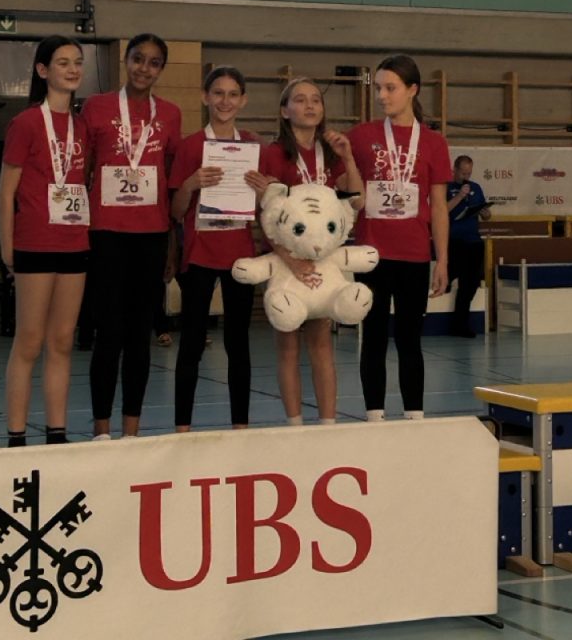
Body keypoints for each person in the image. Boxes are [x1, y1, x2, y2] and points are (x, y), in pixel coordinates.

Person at [83, 33, 181, 439]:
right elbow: (82, 170)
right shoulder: (96, 107)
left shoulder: (170, 114)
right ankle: (101, 430)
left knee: (140, 336)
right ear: (126, 60)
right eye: (138, 59)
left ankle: (131, 431)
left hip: (151, 236)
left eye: (154, 62)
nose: (145, 68)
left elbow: (172, 182)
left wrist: (172, 244)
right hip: (106, 234)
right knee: (108, 333)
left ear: (161, 69)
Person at [251, 77, 364, 426]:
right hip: (286, 261)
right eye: (300, 100)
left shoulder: (330, 153)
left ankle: (328, 424)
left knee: (321, 343)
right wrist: (291, 261)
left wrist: (348, 158)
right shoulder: (273, 153)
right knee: (287, 345)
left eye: (316, 99)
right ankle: (295, 424)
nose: (310, 105)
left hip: (322, 259)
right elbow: (267, 217)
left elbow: (357, 201)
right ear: (285, 111)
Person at [0, 36, 89, 447]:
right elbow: (5, 192)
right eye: (63, 62)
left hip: (74, 242)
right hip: (34, 243)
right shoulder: (26, 123)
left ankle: (56, 433)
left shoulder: (82, 126)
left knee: (63, 341)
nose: (72, 69)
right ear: (42, 70)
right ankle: (16, 435)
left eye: (77, 62)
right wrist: (7, 248)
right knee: (29, 340)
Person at [348, 54, 450, 421]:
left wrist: (442, 259)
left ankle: (414, 417)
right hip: (371, 255)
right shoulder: (361, 136)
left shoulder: (434, 142)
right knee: (373, 337)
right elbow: (345, 187)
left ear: (412, 90)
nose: (382, 96)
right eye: (378, 88)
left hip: (414, 255)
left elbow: (439, 206)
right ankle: (374, 417)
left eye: (390, 88)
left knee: (410, 340)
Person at [170, 66, 261, 432]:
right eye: (218, 93)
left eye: (232, 94)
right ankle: (182, 427)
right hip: (200, 254)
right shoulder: (190, 146)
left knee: (239, 344)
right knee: (192, 343)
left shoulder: (253, 147)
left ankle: (241, 425)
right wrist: (190, 185)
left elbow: (268, 205)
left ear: (243, 100)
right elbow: (176, 211)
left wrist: (264, 188)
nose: (225, 101)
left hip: (240, 255)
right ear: (205, 97)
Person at [446, 154, 491, 338]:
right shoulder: (446, 187)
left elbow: (486, 215)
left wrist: (485, 212)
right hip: (453, 240)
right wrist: (460, 196)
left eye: (469, 173)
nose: (466, 176)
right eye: (463, 173)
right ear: (455, 170)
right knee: (450, 276)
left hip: (473, 240)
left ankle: (461, 323)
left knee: (470, 284)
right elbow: (442, 210)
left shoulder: (476, 187)